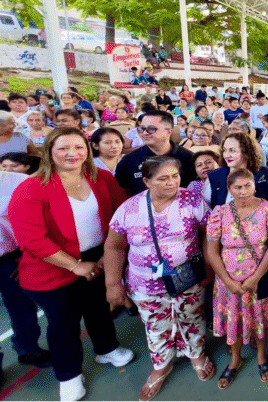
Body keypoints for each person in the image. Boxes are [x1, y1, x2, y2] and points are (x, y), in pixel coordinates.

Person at [9, 128, 134, 401]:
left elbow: (119, 215)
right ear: (49, 153)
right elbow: (32, 240)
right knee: (63, 322)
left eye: (78, 147)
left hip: (98, 258)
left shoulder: (101, 178)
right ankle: (69, 375)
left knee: (99, 308)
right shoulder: (31, 188)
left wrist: (106, 256)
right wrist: (75, 265)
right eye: (63, 148)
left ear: (88, 150)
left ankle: (106, 348)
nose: (72, 154)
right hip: (52, 268)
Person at [104, 156, 214, 400]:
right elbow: (114, 246)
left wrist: (209, 266)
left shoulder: (192, 201)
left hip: (187, 277)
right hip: (144, 282)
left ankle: (196, 352)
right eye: (163, 178)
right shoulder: (129, 208)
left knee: (192, 316)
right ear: (146, 181)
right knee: (155, 324)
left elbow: (209, 234)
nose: (171, 183)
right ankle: (162, 364)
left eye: (175, 176)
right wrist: (113, 284)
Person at [204, 168, 268, 386]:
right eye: (238, 187)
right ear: (229, 189)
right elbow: (212, 251)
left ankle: (261, 356)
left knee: (259, 320)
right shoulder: (219, 213)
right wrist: (228, 281)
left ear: (255, 185)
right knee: (234, 320)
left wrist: (255, 278)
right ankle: (235, 360)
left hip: (259, 278)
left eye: (248, 185)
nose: (243, 191)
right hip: (228, 282)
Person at [0, 170, 51, 382]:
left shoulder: (17, 181)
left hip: (11, 257)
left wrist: (26, 254)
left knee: (22, 305)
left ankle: (28, 348)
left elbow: (38, 217)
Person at [115, 110, 196, 196]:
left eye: (151, 129)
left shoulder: (189, 158)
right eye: (141, 129)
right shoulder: (129, 160)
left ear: (169, 132)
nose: (145, 133)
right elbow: (122, 192)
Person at [204, 132, 268, 207]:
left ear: (246, 152)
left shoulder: (264, 174)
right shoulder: (215, 176)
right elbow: (207, 209)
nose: (226, 155)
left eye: (232, 150)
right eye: (224, 150)